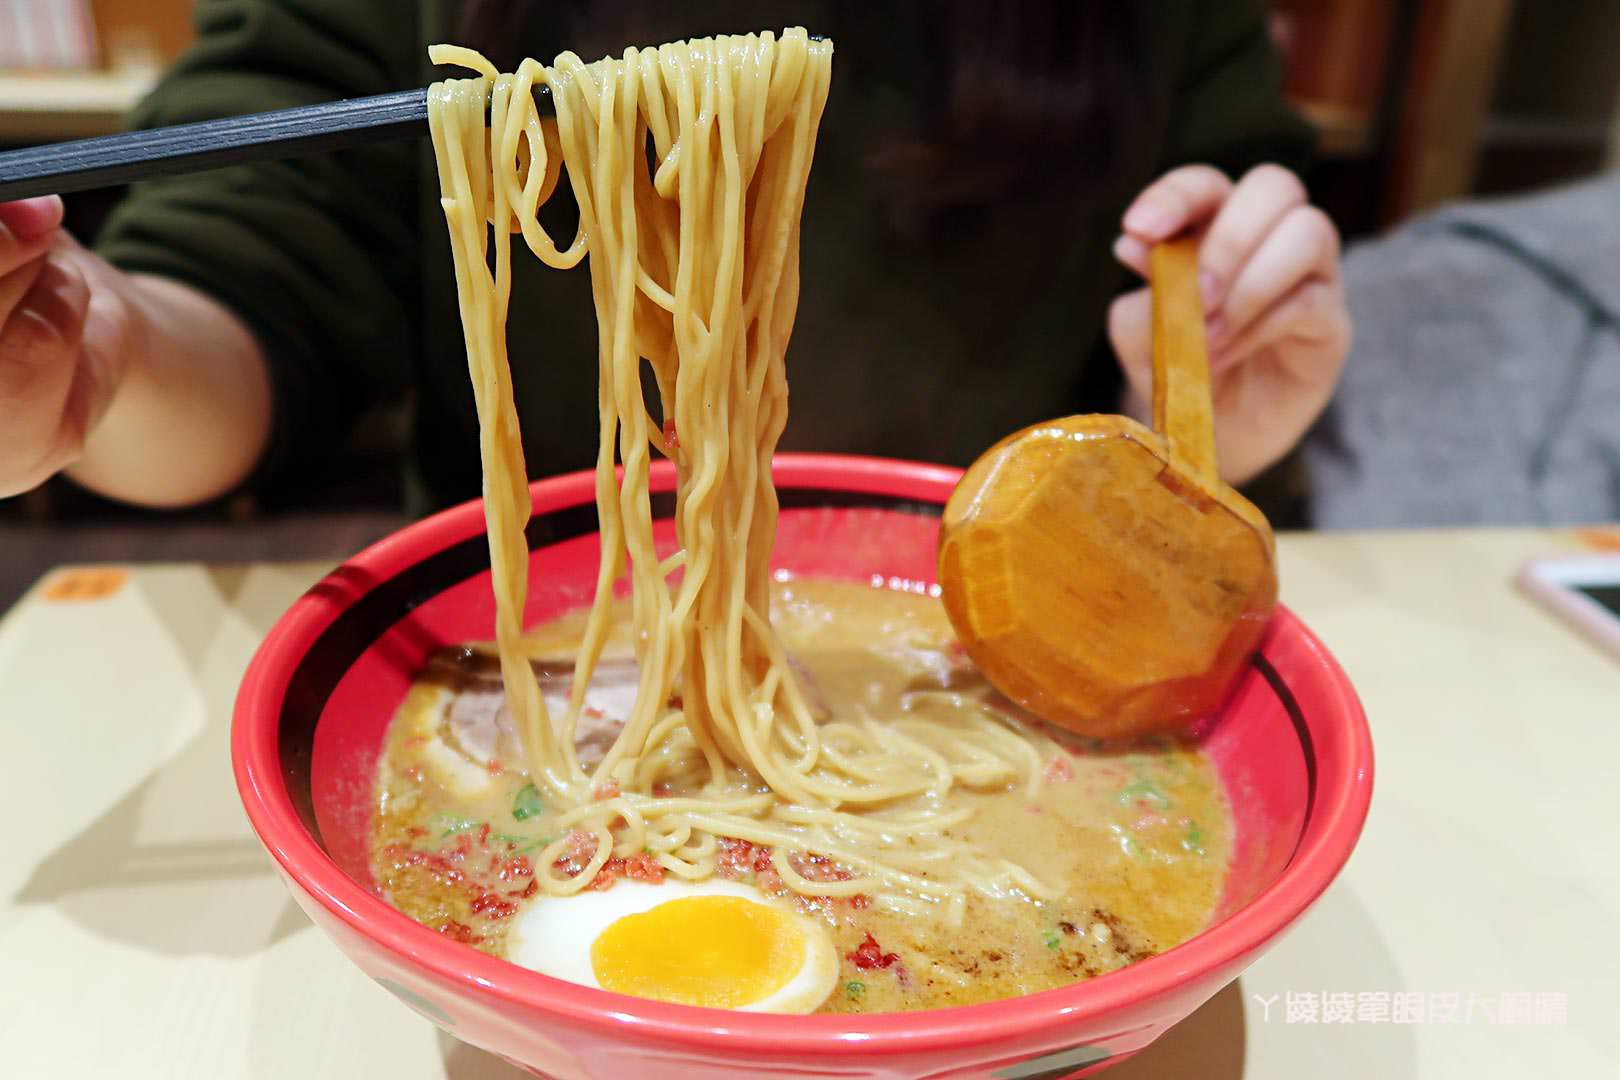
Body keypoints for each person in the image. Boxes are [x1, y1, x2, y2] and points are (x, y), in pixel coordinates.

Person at [0, 0, 1348, 525]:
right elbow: (245, 279)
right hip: (513, 654)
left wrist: (1194, 421)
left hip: (1001, 641)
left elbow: (1208, 281)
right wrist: (82, 353)